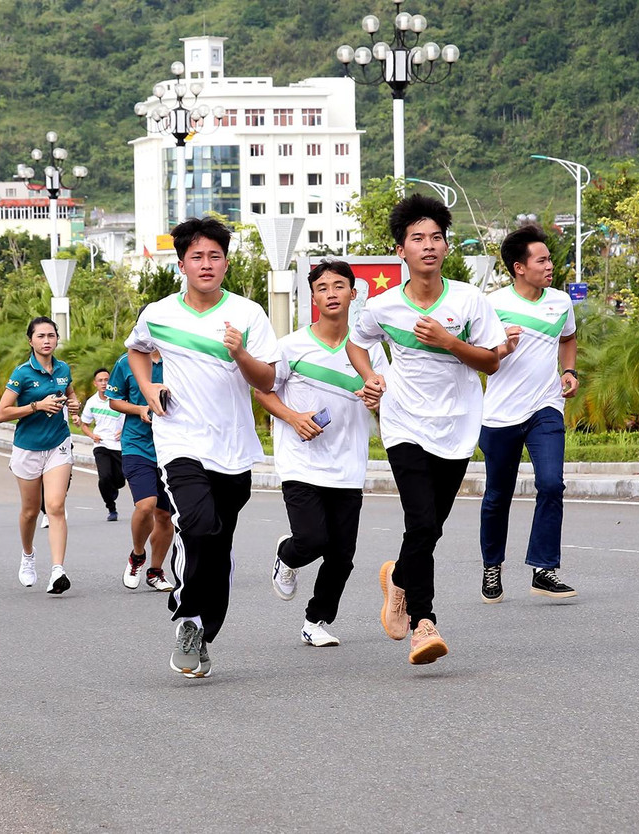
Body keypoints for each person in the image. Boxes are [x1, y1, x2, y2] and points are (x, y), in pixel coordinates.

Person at [347, 195, 507, 666]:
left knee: (431, 528)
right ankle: (424, 623)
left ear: (445, 245)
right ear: (401, 250)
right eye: (418, 238)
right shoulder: (383, 306)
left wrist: (450, 341)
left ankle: (399, 576)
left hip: (457, 425)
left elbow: (492, 363)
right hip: (403, 423)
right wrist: (371, 378)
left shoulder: (468, 300)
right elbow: (359, 344)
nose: (429, 246)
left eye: (436, 237)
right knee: (420, 522)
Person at [126, 216, 280, 678]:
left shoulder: (249, 314)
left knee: (218, 545)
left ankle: (201, 626)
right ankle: (188, 615)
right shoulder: (159, 313)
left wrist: (240, 355)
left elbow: (268, 379)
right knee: (197, 524)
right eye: (198, 256)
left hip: (232, 447)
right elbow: (137, 350)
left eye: (215, 256)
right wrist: (149, 388)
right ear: (182, 264)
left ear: (226, 264)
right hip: (179, 440)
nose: (206, 263)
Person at [258, 260, 382, 648]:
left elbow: (383, 396)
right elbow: (264, 391)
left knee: (342, 554)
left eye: (339, 286)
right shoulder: (291, 346)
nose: (331, 293)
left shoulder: (369, 351)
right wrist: (293, 418)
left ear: (353, 294)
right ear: (313, 297)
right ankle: (288, 554)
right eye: (323, 287)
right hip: (301, 461)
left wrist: (375, 396)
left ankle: (316, 620)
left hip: (348, 462)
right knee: (311, 540)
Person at [479, 224, 581, 602]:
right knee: (497, 496)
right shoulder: (491, 304)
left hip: (546, 407)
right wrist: (502, 348)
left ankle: (544, 569)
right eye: (542, 260)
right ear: (519, 267)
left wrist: (568, 371)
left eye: (550, 258)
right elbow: (477, 356)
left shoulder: (560, 302)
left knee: (552, 484)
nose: (550, 265)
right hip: (501, 414)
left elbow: (568, 338)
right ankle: (492, 565)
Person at [0, 316, 81, 593]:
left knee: (55, 506)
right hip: (28, 447)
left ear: (57, 339)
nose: (47, 341)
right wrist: (36, 406)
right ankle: (28, 555)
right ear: (30, 340)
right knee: (31, 511)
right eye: (41, 336)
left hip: (58, 443)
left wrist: (73, 401)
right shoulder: (22, 373)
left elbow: (68, 392)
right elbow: (2, 414)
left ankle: (58, 570)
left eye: (51, 336)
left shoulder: (63, 368)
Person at [106, 345, 176, 593]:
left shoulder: (178, 359)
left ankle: (155, 572)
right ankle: (137, 556)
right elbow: (114, 400)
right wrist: (139, 409)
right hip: (137, 444)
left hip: (171, 447)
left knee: (166, 516)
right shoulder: (126, 362)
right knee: (145, 505)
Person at [77, 367, 126, 522]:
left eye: (106, 380)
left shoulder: (120, 399)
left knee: (119, 480)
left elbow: (131, 417)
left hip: (118, 446)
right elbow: (84, 424)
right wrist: (93, 435)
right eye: (100, 380)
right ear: (95, 383)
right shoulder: (91, 402)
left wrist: (123, 431)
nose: (104, 383)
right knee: (104, 477)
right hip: (101, 445)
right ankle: (111, 508)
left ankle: (114, 487)